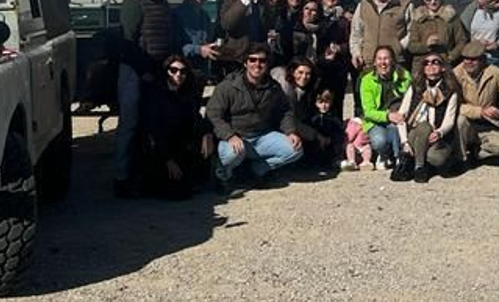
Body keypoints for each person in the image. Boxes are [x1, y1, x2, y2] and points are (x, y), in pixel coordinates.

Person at [113, 0, 176, 195]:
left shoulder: (164, 4)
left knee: (153, 123)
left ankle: (145, 174)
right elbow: (127, 43)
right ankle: (121, 177)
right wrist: (144, 71)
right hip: (133, 71)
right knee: (129, 124)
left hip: (158, 70)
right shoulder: (134, 3)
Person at [206, 45, 301, 187]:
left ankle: (256, 170)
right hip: (235, 136)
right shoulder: (228, 86)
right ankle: (223, 174)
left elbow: (284, 111)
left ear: (267, 64)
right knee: (233, 154)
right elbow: (213, 113)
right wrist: (229, 135)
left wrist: (290, 131)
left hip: (262, 136)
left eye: (262, 61)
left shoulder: (273, 87)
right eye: (252, 60)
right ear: (245, 63)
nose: (257, 64)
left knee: (295, 150)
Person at [136, 53, 214, 198]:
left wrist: (206, 133)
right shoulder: (155, 95)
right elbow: (153, 131)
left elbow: (196, 118)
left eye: (183, 71)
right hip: (159, 149)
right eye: (173, 70)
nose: (178, 75)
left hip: (180, 145)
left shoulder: (188, 94)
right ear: (166, 71)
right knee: (175, 191)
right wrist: (167, 160)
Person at [397, 53, 461, 183]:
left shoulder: (450, 90)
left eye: (435, 62)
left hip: (436, 136)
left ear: (443, 67)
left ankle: (419, 162)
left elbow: (449, 119)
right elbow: (401, 115)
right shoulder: (415, 87)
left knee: (436, 158)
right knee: (424, 126)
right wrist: (404, 142)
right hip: (414, 133)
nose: (430, 65)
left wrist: (439, 132)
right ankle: (419, 167)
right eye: (426, 63)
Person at [453, 41, 499, 163]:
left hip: (488, 122)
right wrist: (480, 111)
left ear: (483, 59)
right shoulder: (456, 74)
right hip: (467, 120)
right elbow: (453, 105)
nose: (469, 62)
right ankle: (460, 159)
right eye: (466, 59)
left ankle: (476, 154)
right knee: (460, 121)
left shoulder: (494, 73)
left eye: (473, 59)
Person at [358, 45, 411, 169]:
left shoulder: (404, 76)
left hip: (399, 117)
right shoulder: (367, 81)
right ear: (375, 62)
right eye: (379, 59)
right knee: (380, 141)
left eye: (386, 59)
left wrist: (401, 114)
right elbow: (368, 112)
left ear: (392, 61)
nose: (383, 63)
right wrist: (388, 116)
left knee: (396, 130)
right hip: (376, 120)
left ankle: (400, 158)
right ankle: (383, 154)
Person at [287, 57, 344, 174]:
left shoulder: (310, 91)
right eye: (300, 72)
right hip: (291, 130)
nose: (304, 77)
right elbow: (290, 119)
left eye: (307, 74)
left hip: (306, 129)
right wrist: (315, 135)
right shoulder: (287, 91)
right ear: (293, 72)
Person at [216, 0, 273, 67]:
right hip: (235, 58)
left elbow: (266, 27)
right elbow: (227, 23)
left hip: (257, 59)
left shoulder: (263, 1)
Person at [405, 0, 468, 79]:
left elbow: (462, 40)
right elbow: (411, 46)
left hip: (444, 65)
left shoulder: (451, 17)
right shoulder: (418, 18)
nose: (433, 2)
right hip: (422, 67)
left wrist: (451, 57)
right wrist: (426, 45)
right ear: (424, 0)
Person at [350, 0, 408, 70]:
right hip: (368, 62)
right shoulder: (364, 4)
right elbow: (356, 32)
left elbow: (412, 31)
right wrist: (356, 53)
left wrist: (399, 47)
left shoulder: (404, 5)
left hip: (394, 63)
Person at [172, 0, 219, 80]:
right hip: (182, 71)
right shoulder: (177, 15)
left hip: (202, 71)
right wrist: (199, 50)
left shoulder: (205, 16)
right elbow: (175, 46)